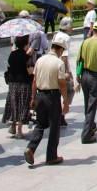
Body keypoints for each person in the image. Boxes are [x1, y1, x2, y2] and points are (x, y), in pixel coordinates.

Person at [24, 37, 70, 166]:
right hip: (52, 96)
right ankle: (51, 156)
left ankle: (31, 148)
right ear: (60, 49)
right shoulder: (58, 63)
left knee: (40, 124)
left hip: (40, 95)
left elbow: (34, 81)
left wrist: (33, 98)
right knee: (54, 126)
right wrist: (65, 101)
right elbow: (62, 84)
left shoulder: (40, 60)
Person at [78, 20, 97, 144]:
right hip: (94, 77)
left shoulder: (85, 42)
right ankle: (86, 135)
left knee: (87, 104)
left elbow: (79, 60)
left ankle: (90, 127)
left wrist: (78, 75)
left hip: (84, 74)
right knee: (92, 106)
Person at [6, 35, 33, 139]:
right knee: (22, 105)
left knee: (14, 104)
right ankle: (19, 131)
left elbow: (9, 67)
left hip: (12, 83)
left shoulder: (11, 55)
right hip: (24, 83)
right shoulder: (26, 57)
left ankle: (13, 126)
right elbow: (30, 71)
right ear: (26, 44)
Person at [55, 18, 75, 127]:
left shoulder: (57, 35)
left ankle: (58, 115)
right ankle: (61, 115)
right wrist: (68, 72)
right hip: (61, 67)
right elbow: (64, 56)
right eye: (71, 25)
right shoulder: (66, 38)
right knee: (68, 91)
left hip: (54, 64)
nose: (72, 28)